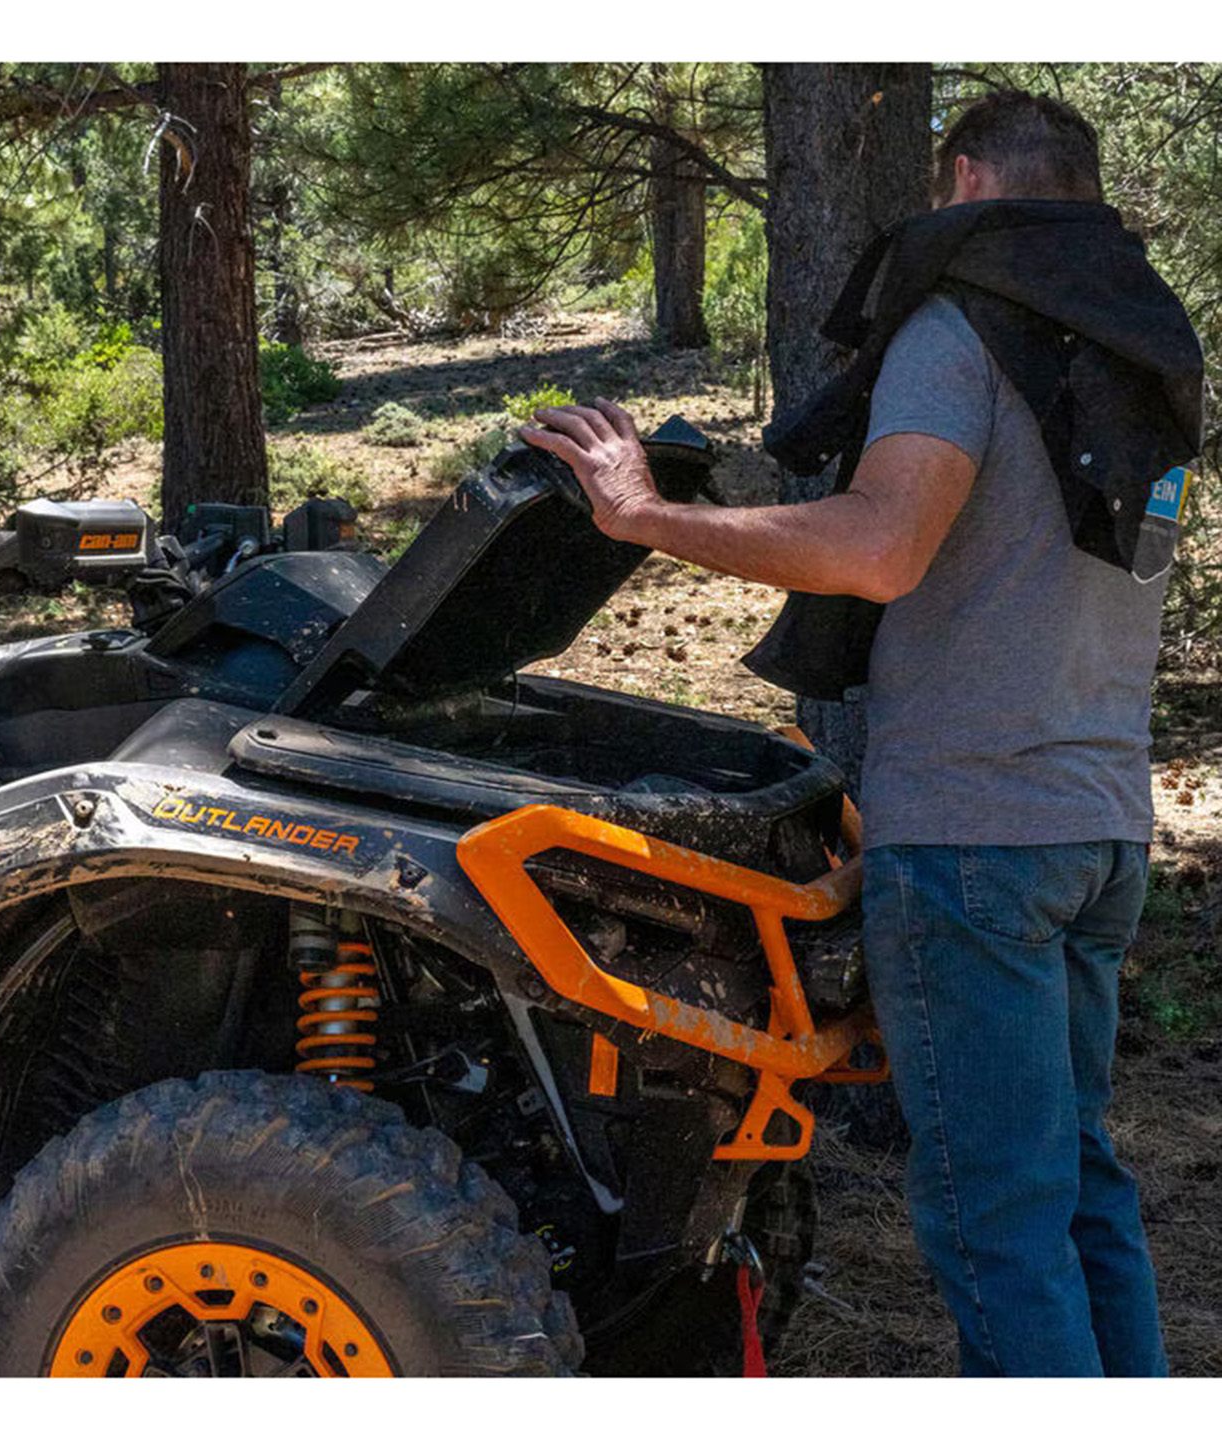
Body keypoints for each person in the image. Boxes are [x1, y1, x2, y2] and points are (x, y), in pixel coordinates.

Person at [523, 90, 1181, 1377]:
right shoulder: (1129, 355)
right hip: (1100, 830)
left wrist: (645, 516)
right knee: (1077, 1183)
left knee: (995, 1216)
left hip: (978, 840)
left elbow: (880, 549)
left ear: (970, 181)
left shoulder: (966, 324)